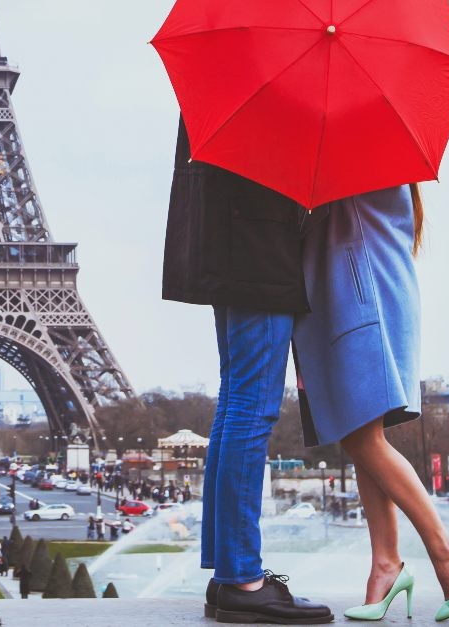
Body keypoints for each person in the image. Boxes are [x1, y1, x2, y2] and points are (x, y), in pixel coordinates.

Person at [292, 184, 449, 622]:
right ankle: (385, 563)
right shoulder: (378, 162)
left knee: (363, 441)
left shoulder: (356, 161)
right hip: (365, 294)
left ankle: (445, 547)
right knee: (361, 436)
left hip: (360, 301)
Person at [162, 117, 332, 623]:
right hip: (259, 250)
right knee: (252, 410)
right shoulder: (275, 88)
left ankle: (230, 573)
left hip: (233, 245)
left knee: (236, 405)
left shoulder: (227, 78)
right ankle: (240, 576)